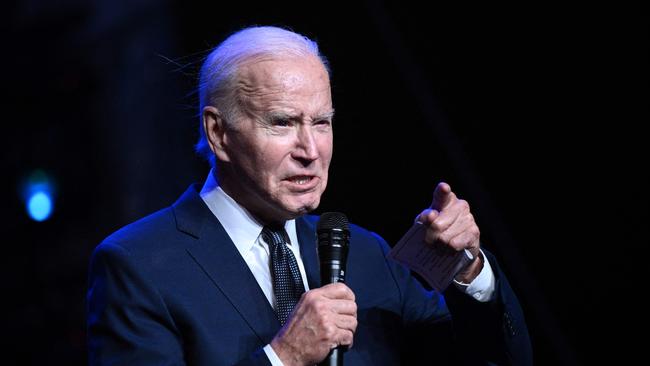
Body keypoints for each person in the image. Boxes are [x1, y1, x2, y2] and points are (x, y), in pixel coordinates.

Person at [86, 26, 532, 365]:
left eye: (321, 122)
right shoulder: (138, 266)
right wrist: (283, 358)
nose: (311, 151)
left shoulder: (366, 255)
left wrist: (469, 269)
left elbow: (498, 357)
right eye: (282, 123)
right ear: (218, 133)